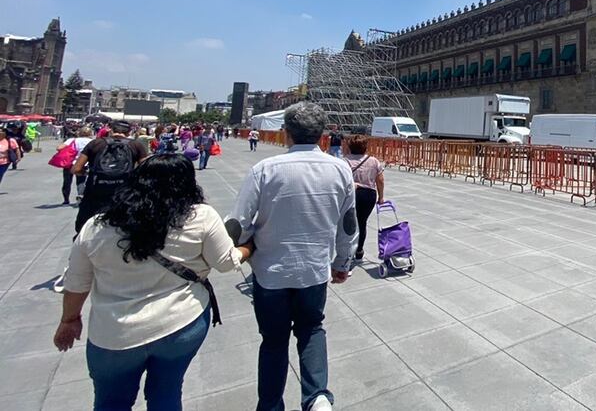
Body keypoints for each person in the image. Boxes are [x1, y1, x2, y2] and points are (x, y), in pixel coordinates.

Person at [53, 154, 253, 411]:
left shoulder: (96, 226)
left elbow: (76, 282)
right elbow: (226, 263)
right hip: (180, 324)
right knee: (167, 392)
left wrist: (69, 319)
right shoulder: (200, 216)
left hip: (113, 333)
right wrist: (248, 248)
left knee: (110, 402)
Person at [228, 102, 356, 411]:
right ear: (322, 135)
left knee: (273, 342)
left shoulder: (265, 169)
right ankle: (317, 398)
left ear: (286, 133)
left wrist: (242, 247)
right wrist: (342, 263)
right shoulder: (340, 169)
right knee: (311, 330)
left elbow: (237, 223)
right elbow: (348, 225)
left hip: (271, 273)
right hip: (313, 271)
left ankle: (270, 405)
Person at [72, 121, 149, 237]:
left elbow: (76, 169)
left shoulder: (95, 143)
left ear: (111, 130)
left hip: (96, 191)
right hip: (124, 192)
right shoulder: (136, 145)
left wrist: (89, 172)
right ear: (129, 132)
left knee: (84, 228)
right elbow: (146, 170)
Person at [344, 135, 385, 261]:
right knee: (362, 223)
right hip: (369, 195)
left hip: (352, 194)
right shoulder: (373, 161)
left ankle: (347, 251)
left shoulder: (344, 161)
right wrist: (381, 197)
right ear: (365, 147)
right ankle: (359, 250)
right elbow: (380, 180)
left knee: (348, 224)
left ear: (350, 147)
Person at [58, 126, 95, 204]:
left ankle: (66, 199)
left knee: (67, 181)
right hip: (83, 163)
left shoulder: (72, 140)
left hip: (70, 163)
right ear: (90, 133)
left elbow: (59, 148)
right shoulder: (92, 141)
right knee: (81, 181)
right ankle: (80, 195)